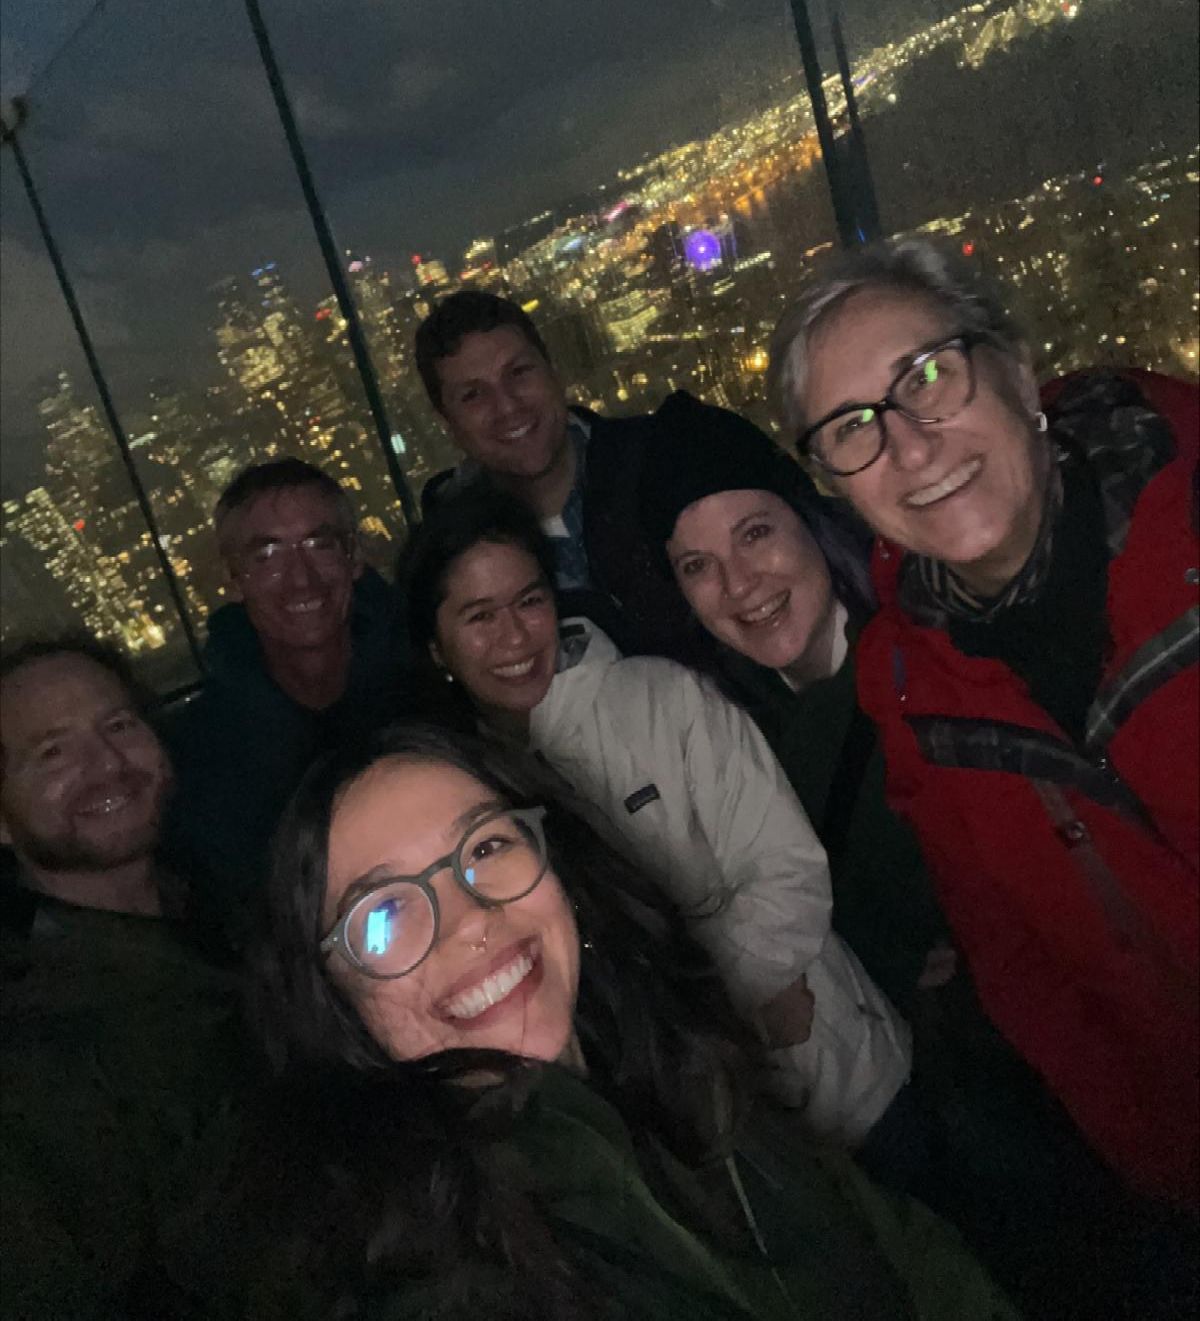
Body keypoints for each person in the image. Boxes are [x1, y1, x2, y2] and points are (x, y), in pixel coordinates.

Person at [225, 721, 1018, 1321]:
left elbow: (912, 1259)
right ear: (333, 1001)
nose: (470, 918)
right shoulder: (426, 1271)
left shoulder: (689, 1070)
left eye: (487, 845)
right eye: (383, 913)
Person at [770, 237, 1199, 1211]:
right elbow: (1022, 969)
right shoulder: (906, 690)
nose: (911, 446)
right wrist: (1161, 1162)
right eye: (852, 427)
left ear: (1013, 367)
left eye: (928, 376)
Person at [401, 490, 914, 1160]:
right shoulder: (456, 793)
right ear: (436, 646)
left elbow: (787, 869)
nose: (515, 637)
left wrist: (700, 1011)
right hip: (683, 1135)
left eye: (529, 601)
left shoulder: (661, 699)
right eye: (479, 615)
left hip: (836, 1078)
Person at [637, 389, 952, 1013]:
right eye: (697, 565)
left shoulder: (935, 651)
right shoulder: (719, 736)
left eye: (754, 533)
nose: (739, 583)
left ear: (808, 519)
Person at [0, 637, 246, 1318]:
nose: (107, 764)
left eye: (118, 725)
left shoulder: (218, 902)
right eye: (53, 752)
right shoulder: (31, 1059)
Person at [164, 458, 408, 935]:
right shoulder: (203, 757)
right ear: (234, 578)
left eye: (320, 544)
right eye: (268, 556)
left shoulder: (430, 676)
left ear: (354, 557)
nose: (301, 578)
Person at [415, 289, 716, 661]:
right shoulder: (451, 553)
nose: (507, 406)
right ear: (447, 423)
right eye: (474, 395)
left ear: (553, 372)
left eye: (519, 373)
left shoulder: (664, 461)